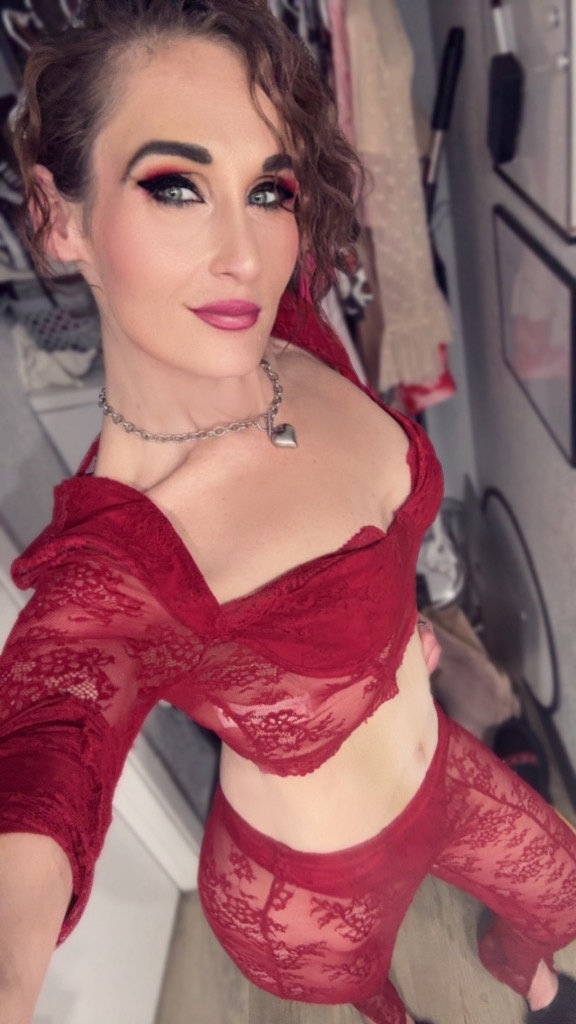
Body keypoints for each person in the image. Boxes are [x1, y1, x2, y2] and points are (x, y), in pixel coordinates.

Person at [0, 2, 575, 1023]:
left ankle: (515, 962)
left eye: (267, 188)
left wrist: (383, 638)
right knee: (372, 996)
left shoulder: (289, 324)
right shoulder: (113, 576)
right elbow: (43, 769)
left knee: (561, 896)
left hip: (443, 773)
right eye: (175, 185)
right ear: (59, 216)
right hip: (304, 900)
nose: (244, 252)